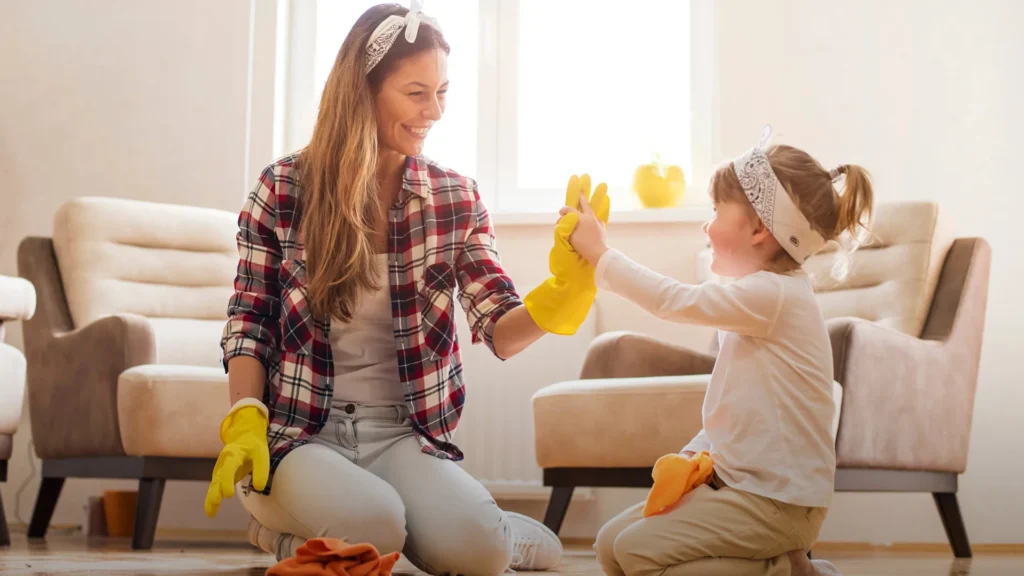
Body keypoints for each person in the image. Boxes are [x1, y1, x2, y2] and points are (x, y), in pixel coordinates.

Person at [202, 3, 609, 574]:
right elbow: (249, 320)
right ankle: (282, 533)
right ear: (362, 90)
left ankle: (478, 533)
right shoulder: (284, 187)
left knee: (482, 554)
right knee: (377, 525)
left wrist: (566, 289)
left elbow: (500, 328)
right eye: (417, 93)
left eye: (443, 92)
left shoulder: (455, 198)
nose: (434, 110)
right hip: (299, 433)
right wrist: (245, 417)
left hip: (400, 436)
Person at [562, 127, 872, 576]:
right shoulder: (755, 300)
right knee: (611, 547)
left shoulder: (774, 295)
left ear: (760, 228)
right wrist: (695, 453)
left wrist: (601, 254)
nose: (706, 226)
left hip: (779, 503)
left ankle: (785, 570)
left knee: (636, 553)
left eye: (716, 211)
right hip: (737, 488)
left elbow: (672, 300)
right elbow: (736, 407)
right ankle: (781, 563)